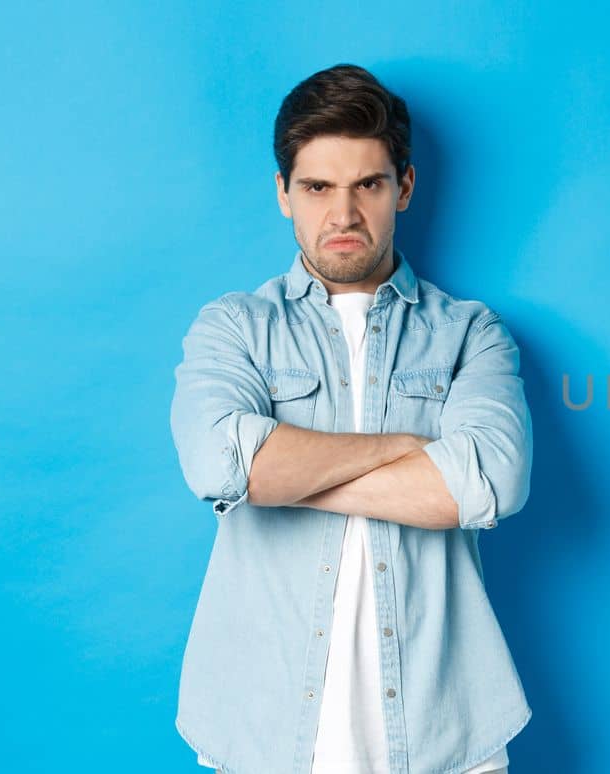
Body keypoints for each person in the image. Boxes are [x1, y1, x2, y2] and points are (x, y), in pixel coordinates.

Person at [168, 63, 533, 774]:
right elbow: (219, 464)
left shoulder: (470, 334)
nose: (342, 215)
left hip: (445, 734)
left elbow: (488, 484)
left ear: (404, 186)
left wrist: (281, 474)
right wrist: (407, 447)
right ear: (284, 195)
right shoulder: (234, 327)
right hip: (265, 731)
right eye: (317, 188)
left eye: (366, 184)